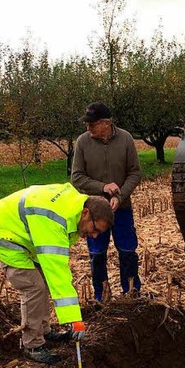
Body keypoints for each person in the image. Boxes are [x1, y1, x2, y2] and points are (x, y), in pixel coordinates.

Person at [0, 183, 114, 365]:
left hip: (23, 232)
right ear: (86, 213)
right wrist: (75, 320)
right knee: (34, 286)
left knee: (42, 280)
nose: (95, 236)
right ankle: (32, 344)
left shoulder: (74, 206)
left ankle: (43, 330)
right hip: (0, 232)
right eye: (95, 229)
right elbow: (58, 274)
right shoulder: (54, 222)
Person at [70, 102, 141, 303]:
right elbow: (76, 177)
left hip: (123, 208)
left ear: (105, 124)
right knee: (97, 253)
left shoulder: (126, 139)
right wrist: (102, 187)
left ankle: (131, 294)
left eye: (91, 124)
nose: (88, 128)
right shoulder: (83, 142)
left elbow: (135, 173)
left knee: (128, 251)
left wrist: (120, 196)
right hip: (94, 212)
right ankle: (102, 296)